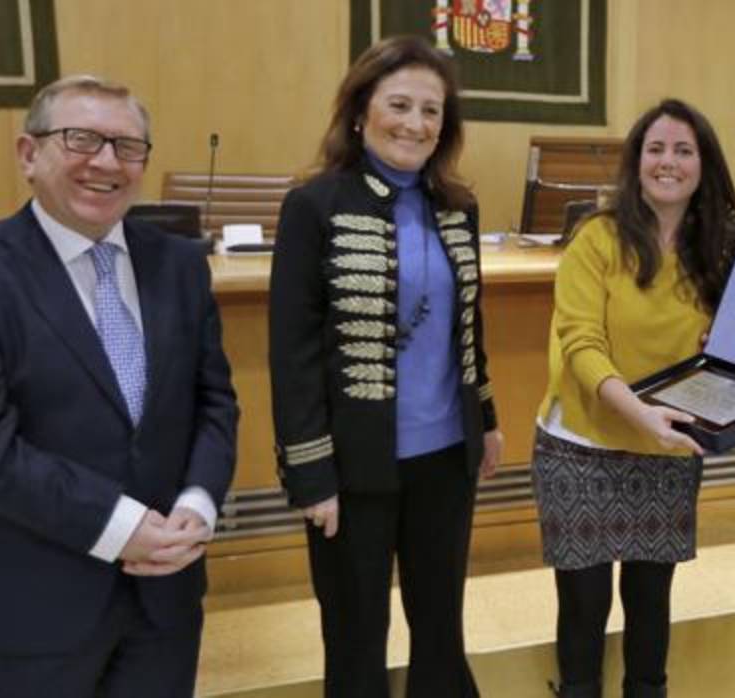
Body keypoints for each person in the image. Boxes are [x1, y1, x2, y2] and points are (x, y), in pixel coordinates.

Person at [0, 75, 239, 698]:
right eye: (81, 139)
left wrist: (197, 505)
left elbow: (214, 402)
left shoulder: (180, 266)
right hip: (28, 611)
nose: (107, 162)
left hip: (164, 602)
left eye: (128, 146)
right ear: (29, 154)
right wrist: (119, 526)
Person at [268, 35, 503, 698]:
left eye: (431, 111)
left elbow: (468, 326)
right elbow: (292, 354)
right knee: (354, 639)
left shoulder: (457, 207)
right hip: (353, 465)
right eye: (399, 104)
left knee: (440, 633)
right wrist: (310, 472)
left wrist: (483, 417)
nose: (415, 123)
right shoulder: (315, 206)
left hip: (444, 460)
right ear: (360, 112)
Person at [531, 99, 735, 698]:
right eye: (655, 148)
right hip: (582, 446)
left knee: (650, 602)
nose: (667, 162)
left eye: (683, 150)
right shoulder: (596, 237)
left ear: (704, 165)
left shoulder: (721, 249)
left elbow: (733, 341)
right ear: (636, 161)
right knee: (584, 605)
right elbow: (581, 342)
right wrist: (640, 413)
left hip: (669, 445)